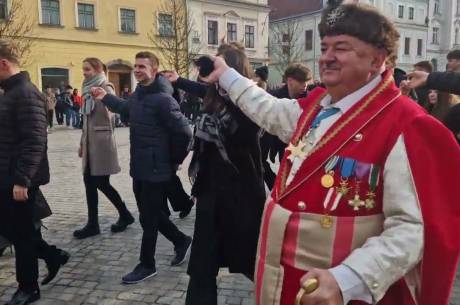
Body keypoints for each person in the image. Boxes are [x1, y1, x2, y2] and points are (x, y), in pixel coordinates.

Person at [201, 3, 460, 305]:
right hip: (284, 285)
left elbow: (413, 230)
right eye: (324, 47)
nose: (326, 57)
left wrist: (348, 278)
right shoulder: (317, 107)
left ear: (377, 59)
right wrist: (226, 75)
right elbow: (270, 111)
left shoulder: (408, 125)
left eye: (341, 47)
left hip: (337, 295)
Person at [164, 46, 266, 305]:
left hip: (241, 195)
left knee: (252, 261)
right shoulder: (212, 98)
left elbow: (246, 134)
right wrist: (198, 191)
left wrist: (230, 90)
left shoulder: (251, 101)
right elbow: (205, 151)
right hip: (211, 194)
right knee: (202, 266)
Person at [91, 51, 193, 283]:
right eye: (135, 66)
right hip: (140, 167)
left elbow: (186, 133)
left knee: (148, 219)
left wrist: (173, 161)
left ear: (154, 70)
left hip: (157, 170)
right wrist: (105, 97)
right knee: (152, 214)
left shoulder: (164, 100)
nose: (137, 70)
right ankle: (180, 240)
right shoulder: (139, 95)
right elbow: (127, 108)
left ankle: (147, 264)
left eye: (142, 67)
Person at [0, 40, 69, 305]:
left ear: (4, 63)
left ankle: (28, 287)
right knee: (17, 231)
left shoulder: (26, 93)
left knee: (22, 235)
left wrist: (22, 180)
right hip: (6, 175)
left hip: (18, 180)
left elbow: (34, 140)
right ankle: (52, 255)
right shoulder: (9, 92)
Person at [73, 58, 134, 239]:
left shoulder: (105, 87)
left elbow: (112, 115)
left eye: (87, 69)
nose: (84, 73)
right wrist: (82, 143)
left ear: (98, 70)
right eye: (83, 69)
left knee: (101, 183)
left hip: (102, 143)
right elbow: (86, 119)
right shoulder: (86, 89)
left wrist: (101, 97)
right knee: (88, 183)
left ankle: (125, 214)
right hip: (90, 143)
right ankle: (93, 224)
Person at [261, 63, 312, 189]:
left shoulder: (310, 99)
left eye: (306, 81)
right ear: (290, 81)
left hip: (300, 145)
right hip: (276, 141)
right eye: (301, 81)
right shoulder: (274, 97)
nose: (304, 85)